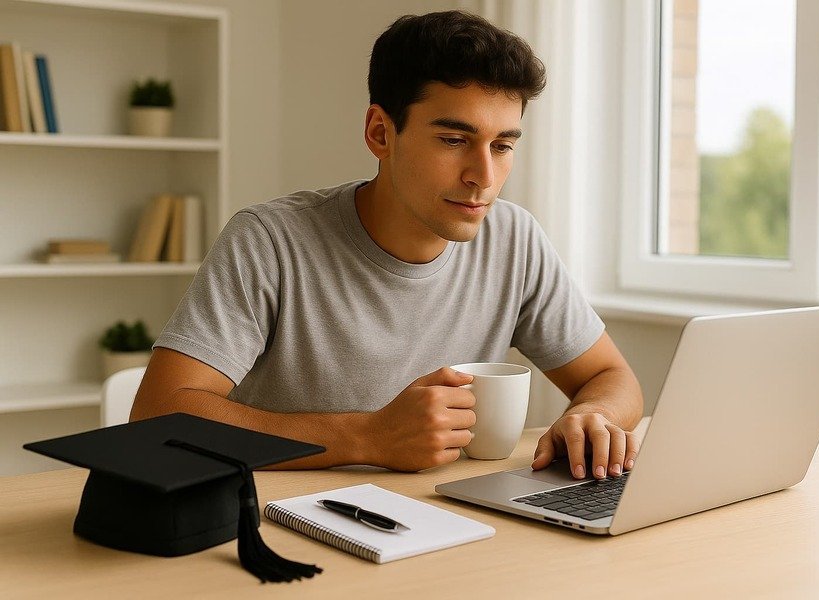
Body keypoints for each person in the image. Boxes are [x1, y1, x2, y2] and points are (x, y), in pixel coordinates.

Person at [131, 10, 643, 481]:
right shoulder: (269, 241)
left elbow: (610, 376)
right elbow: (158, 415)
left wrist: (589, 415)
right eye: (453, 139)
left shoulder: (515, 239)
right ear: (380, 132)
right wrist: (367, 436)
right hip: (281, 525)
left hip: (441, 522)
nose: (483, 176)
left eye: (503, 145)